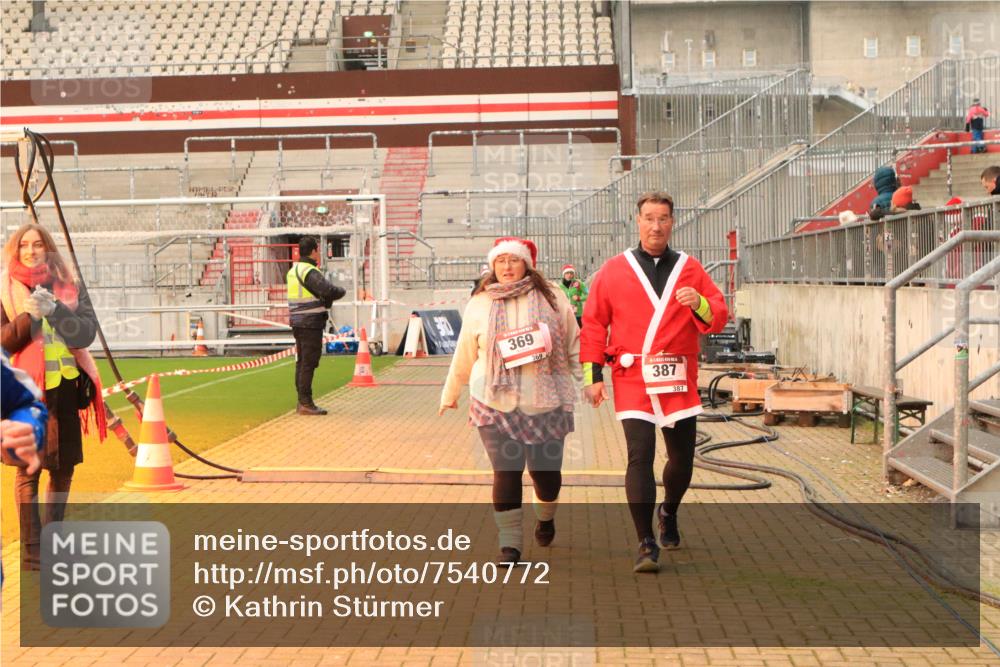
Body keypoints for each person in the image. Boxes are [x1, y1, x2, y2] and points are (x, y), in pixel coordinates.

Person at [580, 192, 728, 573]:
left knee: (681, 459)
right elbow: (594, 323)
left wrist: (699, 303)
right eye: (648, 218)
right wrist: (593, 376)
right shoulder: (613, 270)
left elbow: (719, 315)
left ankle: (669, 511)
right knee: (639, 456)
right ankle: (645, 541)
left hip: (678, 377)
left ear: (672, 222)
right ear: (637, 221)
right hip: (632, 378)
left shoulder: (691, 269)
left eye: (662, 218)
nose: (655, 226)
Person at [440, 237, 581, 564]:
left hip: (546, 401)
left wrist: (588, 383)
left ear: (527, 264)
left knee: (545, 475)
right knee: (506, 471)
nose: (506, 267)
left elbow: (574, 345)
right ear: (492, 266)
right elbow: (465, 352)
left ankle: (545, 517)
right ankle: (510, 545)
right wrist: (451, 393)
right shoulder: (481, 302)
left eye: (513, 260)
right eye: (500, 261)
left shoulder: (553, 298)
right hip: (493, 399)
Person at [1, 223, 105, 571]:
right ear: (16, 251)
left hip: (64, 391)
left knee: (62, 469)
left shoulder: (69, 283)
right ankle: (33, 556)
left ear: (48, 248)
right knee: (28, 472)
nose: (31, 250)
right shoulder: (4, 288)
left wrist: (56, 309)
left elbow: (86, 334)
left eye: (38, 244)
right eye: (24, 245)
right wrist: (29, 315)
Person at [286, 236, 346, 416]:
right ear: (313, 251)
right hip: (310, 322)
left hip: (298, 321)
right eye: (317, 249)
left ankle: (302, 401)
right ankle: (305, 402)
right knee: (309, 363)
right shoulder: (308, 270)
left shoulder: (293, 270)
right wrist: (342, 291)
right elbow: (328, 290)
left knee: (302, 361)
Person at [557, 264, 587, 328]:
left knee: (580, 332)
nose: (569, 275)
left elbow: (588, 295)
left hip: (578, 314)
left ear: (573, 274)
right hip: (566, 314)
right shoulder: (560, 286)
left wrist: (579, 298)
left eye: (571, 273)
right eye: (567, 273)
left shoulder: (579, 283)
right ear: (564, 274)